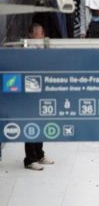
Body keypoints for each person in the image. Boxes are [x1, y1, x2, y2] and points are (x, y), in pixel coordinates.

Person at [24, 23, 55, 171]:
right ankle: (30, 159)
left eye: (41, 34)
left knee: (41, 123)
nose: (40, 37)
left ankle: (39, 154)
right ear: (30, 35)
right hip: (31, 93)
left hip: (42, 91)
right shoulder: (28, 50)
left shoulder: (44, 48)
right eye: (37, 34)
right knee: (31, 125)